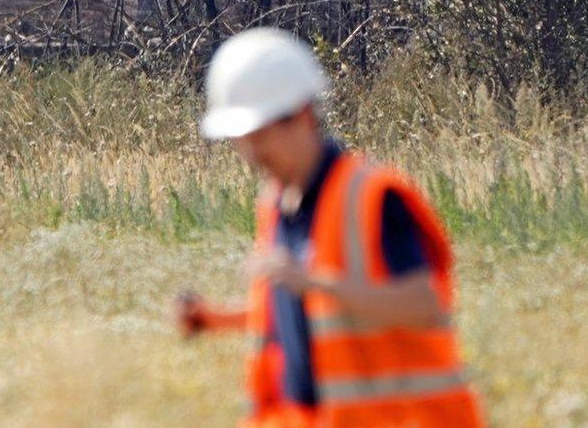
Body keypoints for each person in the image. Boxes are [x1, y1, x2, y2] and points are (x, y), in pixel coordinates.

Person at [177, 27, 484, 427]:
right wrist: (211, 319)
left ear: (303, 115)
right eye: (240, 140)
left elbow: (425, 306)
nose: (251, 154)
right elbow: (303, 317)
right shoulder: (275, 206)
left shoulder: (372, 197)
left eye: (259, 136)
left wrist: (317, 283)